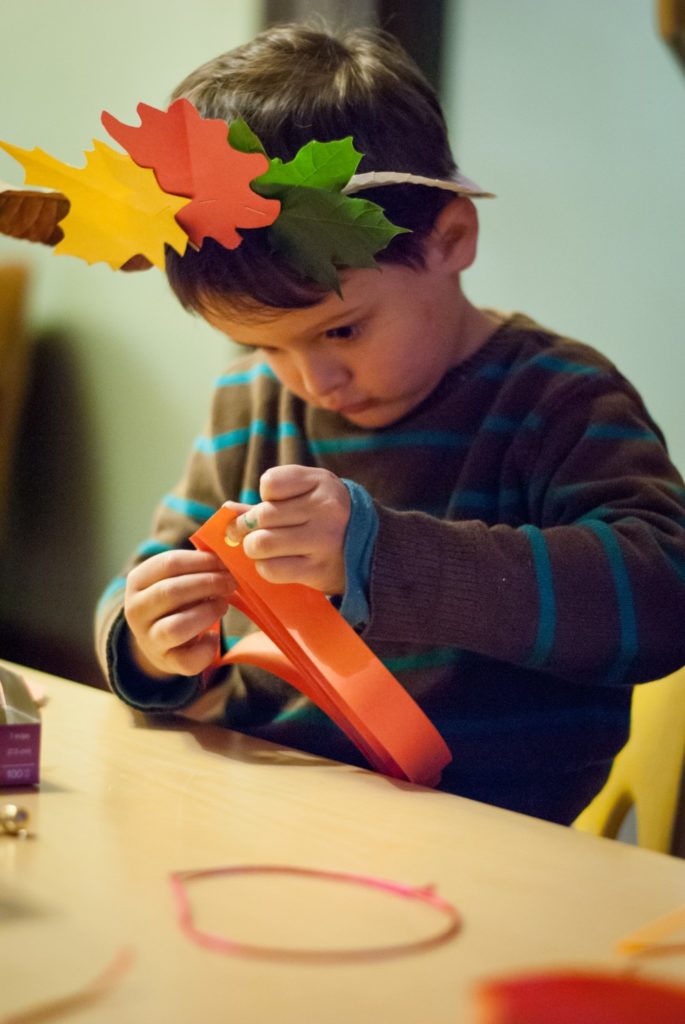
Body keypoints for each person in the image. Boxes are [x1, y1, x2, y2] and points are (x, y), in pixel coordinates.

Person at [95, 23, 685, 824]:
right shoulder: (248, 407)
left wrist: (384, 558)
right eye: (260, 343)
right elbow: (143, 582)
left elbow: (660, 600)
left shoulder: (557, 399)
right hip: (261, 811)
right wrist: (147, 638)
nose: (311, 379)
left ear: (451, 240)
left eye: (340, 330)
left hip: (492, 846)